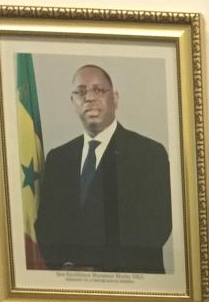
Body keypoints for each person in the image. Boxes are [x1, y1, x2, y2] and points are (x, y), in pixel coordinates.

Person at [35, 64, 172, 272]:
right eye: (81, 92)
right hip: (70, 283)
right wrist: (68, 266)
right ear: (73, 102)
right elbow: (46, 228)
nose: (89, 98)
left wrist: (94, 268)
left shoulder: (149, 153)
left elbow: (156, 228)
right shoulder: (58, 159)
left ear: (115, 98)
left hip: (131, 284)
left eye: (98, 90)